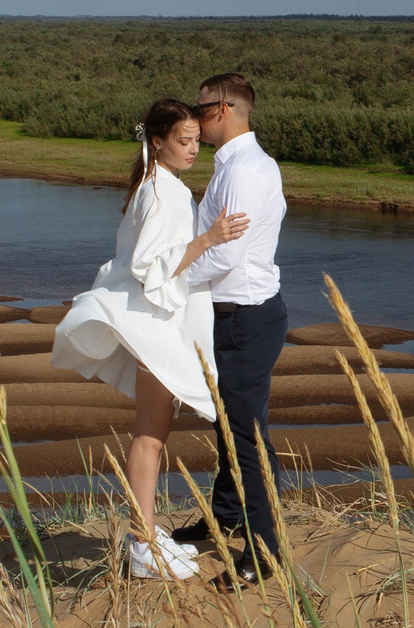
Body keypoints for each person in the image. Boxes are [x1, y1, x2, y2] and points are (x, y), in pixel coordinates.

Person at [49, 96, 250, 580]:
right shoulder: (162, 193)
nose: (193, 149)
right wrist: (210, 237)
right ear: (156, 141)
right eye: (183, 141)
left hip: (159, 320)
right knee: (150, 436)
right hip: (155, 324)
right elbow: (147, 268)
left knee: (153, 433)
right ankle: (142, 545)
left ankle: (144, 534)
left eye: (197, 141)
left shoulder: (158, 185)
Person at [171, 72, 287, 583]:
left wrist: (174, 277)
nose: (194, 120)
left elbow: (227, 253)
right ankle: (226, 514)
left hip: (242, 316)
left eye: (199, 110)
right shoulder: (252, 164)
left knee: (245, 435)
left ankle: (264, 554)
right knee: (233, 423)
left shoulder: (241, 172)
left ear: (222, 109)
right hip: (250, 313)